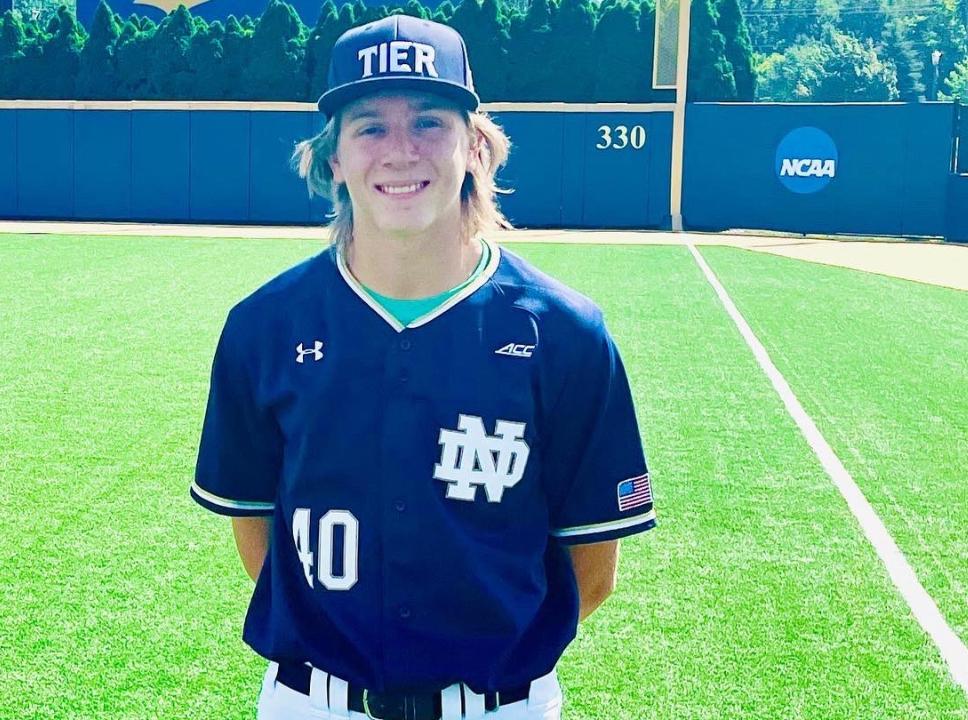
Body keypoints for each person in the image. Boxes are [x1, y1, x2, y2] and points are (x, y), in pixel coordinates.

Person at [191, 14, 657, 720]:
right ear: (334, 158)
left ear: (475, 146)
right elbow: (258, 534)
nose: (401, 152)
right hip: (314, 703)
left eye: (430, 123)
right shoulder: (264, 327)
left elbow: (591, 571)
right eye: (370, 127)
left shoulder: (566, 333)